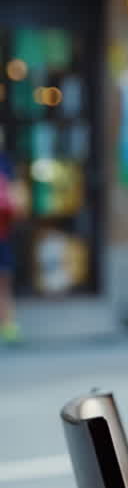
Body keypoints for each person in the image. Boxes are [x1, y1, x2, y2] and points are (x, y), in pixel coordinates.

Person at [0, 140, 20, 344]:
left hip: (2, 231)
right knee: (3, 282)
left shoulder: (4, 161)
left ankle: (9, 328)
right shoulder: (4, 162)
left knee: (3, 281)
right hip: (3, 231)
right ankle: (9, 328)